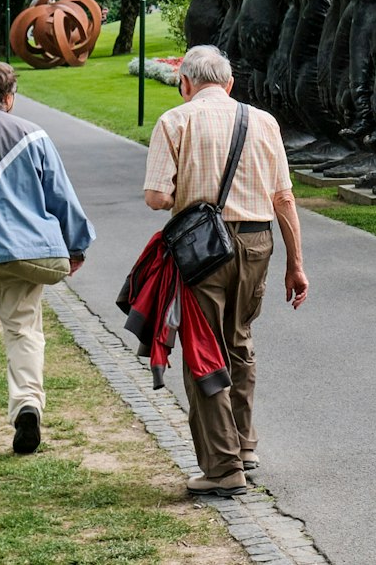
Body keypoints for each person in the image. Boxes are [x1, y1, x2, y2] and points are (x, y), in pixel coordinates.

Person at [143, 44, 308, 498]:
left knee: (203, 348)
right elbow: (284, 198)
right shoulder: (264, 121)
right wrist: (296, 264)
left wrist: (184, 187)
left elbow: (157, 197)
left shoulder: (175, 121)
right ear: (229, 84)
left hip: (201, 249)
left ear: (185, 83)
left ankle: (222, 467)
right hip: (258, 243)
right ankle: (245, 444)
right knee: (239, 339)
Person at [0, 60, 95, 453]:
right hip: (21, 248)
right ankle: (26, 403)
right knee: (22, 328)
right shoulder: (33, 135)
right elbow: (60, 195)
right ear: (9, 97)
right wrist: (77, 246)